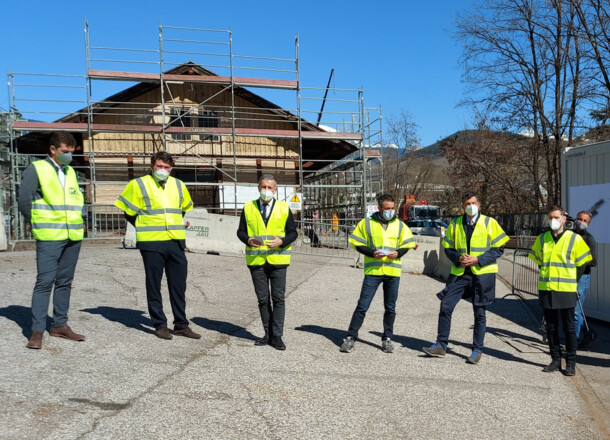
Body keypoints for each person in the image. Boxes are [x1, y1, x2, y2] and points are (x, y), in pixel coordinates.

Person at [115, 151, 200, 340]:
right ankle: (160, 324)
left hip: (175, 241)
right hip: (152, 242)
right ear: (151, 166)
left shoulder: (178, 185)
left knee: (178, 285)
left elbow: (183, 210)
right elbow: (129, 213)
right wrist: (145, 228)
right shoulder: (138, 184)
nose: (163, 170)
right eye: (159, 166)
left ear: (171, 168)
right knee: (154, 284)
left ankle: (181, 325)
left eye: (166, 167)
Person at [422, 192, 509, 364]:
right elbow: (448, 247)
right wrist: (458, 258)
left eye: (473, 203)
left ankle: (477, 349)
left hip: (482, 274)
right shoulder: (455, 223)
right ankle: (440, 345)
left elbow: (499, 248)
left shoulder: (489, 223)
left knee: (479, 313)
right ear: (462, 206)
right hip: (460, 273)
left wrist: (478, 260)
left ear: (479, 204)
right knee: (446, 305)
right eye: (467, 203)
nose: (470, 206)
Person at [18, 131, 86, 349]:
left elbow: (76, 199)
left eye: (71, 153)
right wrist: (35, 222)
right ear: (53, 149)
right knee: (44, 282)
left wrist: (82, 220)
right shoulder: (36, 169)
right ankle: (37, 331)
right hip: (49, 235)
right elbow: (24, 201)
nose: (68, 156)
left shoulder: (71, 172)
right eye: (65, 152)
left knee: (65, 282)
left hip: (73, 235)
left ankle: (59, 325)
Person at [340, 194, 416, 353]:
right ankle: (350, 337)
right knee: (362, 305)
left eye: (392, 208)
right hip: (373, 271)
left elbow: (408, 243)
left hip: (392, 271)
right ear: (379, 208)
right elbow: (356, 242)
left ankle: (387, 338)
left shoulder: (400, 225)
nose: (390, 211)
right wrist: (372, 252)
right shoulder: (366, 223)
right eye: (387, 208)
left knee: (390, 307)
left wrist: (399, 253)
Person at [529, 205, 592, 376]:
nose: (553, 221)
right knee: (551, 327)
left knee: (569, 327)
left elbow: (583, 263)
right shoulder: (542, 239)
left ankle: (570, 362)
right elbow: (538, 260)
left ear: (564, 218)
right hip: (547, 288)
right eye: (550, 217)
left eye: (556, 217)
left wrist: (572, 280)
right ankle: (555, 359)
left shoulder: (574, 239)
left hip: (566, 289)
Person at [236, 174, 297, 350]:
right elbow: (240, 232)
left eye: (270, 188)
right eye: (264, 187)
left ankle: (277, 336)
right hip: (256, 260)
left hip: (278, 260)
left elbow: (293, 233)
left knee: (278, 299)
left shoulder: (284, 208)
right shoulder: (248, 207)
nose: (266, 191)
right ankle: (267, 334)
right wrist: (247, 240)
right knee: (263, 299)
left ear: (275, 190)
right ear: (258, 188)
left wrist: (282, 241)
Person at [574, 210, 597, 346]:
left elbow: (593, 261)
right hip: (568, 277)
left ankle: (574, 341)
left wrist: (577, 261)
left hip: (582, 278)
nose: (581, 222)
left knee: (576, 311)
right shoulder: (568, 236)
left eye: (585, 221)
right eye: (580, 219)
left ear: (588, 224)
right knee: (569, 310)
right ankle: (586, 332)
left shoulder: (589, 239)